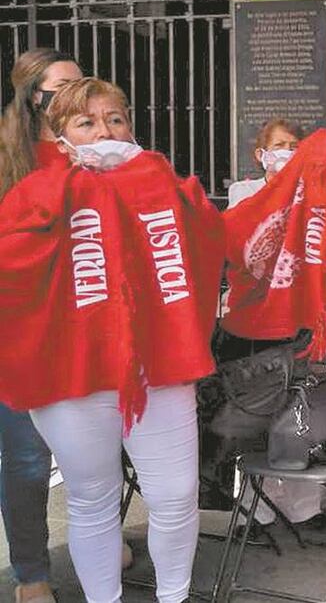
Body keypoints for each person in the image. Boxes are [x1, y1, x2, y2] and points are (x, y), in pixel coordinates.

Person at [0, 77, 223, 603]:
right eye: (87, 122)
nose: (105, 130)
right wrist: (66, 188)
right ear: (61, 138)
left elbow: (207, 242)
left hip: (157, 368)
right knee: (91, 499)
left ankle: (175, 595)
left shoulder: (155, 179)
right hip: (73, 374)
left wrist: (168, 188)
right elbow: (11, 268)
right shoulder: (35, 188)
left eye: (115, 119)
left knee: (175, 497)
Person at [224, 118, 326, 534]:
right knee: (256, 416)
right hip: (255, 322)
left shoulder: (315, 195)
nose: (289, 152)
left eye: (295, 146)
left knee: (300, 413)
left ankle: (305, 506)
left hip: (301, 317)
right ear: (261, 154)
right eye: (281, 145)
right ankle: (254, 508)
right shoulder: (244, 192)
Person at [0, 47, 82, 603]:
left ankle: (91, 544)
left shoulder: (94, 147)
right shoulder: (10, 157)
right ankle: (32, 572)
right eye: (63, 87)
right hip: (21, 330)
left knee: (89, 450)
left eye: (84, 84)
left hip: (82, 324)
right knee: (28, 458)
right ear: (36, 96)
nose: (77, 94)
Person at [228, 118, 304, 207]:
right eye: (279, 145)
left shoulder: (309, 192)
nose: (287, 150)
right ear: (260, 155)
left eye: (294, 147)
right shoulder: (244, 190)